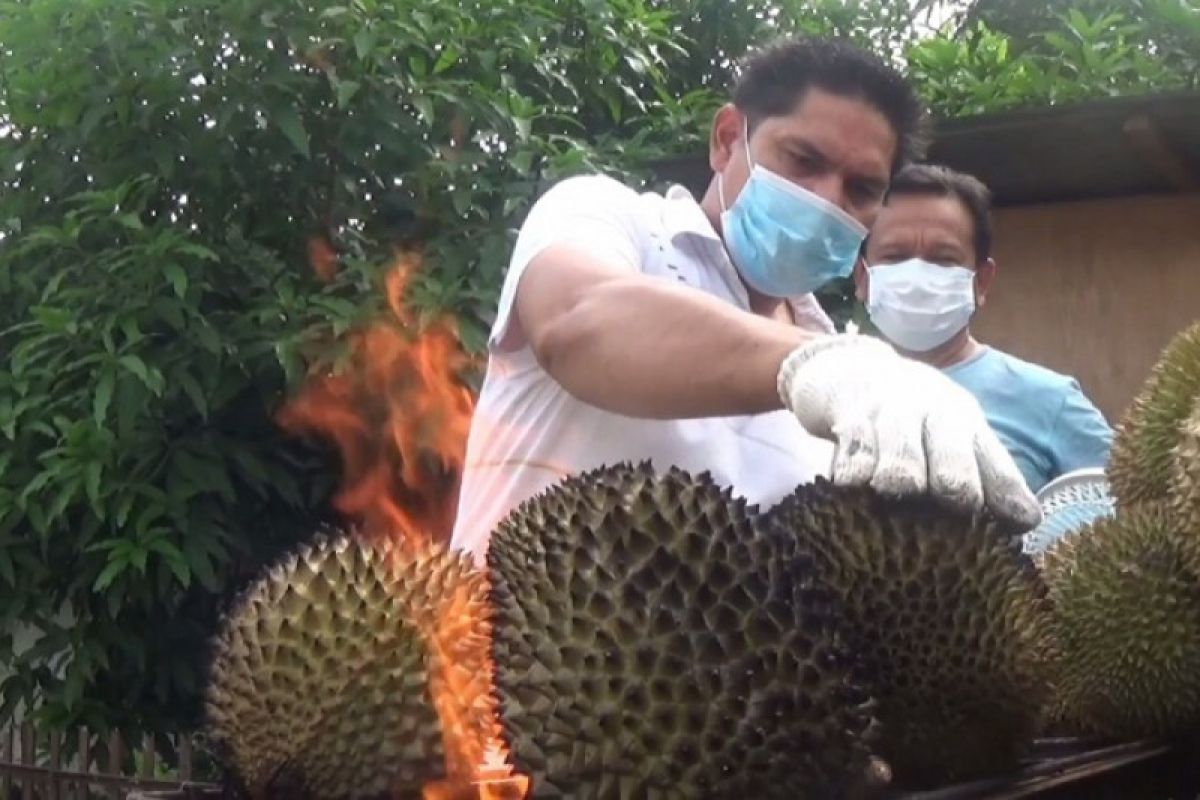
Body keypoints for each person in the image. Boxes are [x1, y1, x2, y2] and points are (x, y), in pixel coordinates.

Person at [450, 36, 1042, 566]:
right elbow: (577, 320)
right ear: (728, 139)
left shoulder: (845, 386)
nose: (827, 200)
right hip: (487, 677)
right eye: (804, 161)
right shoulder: (609, 217)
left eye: (862, 188)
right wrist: (820, 366)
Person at [853, 162, 1113, 493]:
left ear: (982, 282)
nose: (917, 276)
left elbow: (1133, 513)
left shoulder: (1050, 401)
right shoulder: (821, 394)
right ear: (862, 277)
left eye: (943, 258)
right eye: (895, 255)